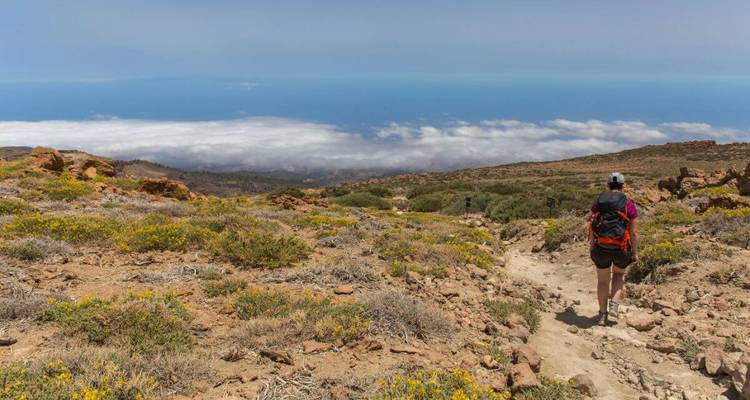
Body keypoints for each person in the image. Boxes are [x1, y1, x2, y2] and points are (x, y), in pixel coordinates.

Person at [588, 172, 638, 326]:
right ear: (623, 186)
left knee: (602, 281)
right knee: (618, 275)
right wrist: (634, 252)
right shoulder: (628, 203)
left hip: (600, 246)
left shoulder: (598, 202)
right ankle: (614, 305)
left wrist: (592, 245)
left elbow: (590, 223)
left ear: (608, 185)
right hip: (621, 248)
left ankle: (602, 315)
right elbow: (634, 232)